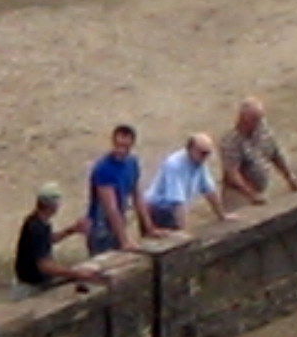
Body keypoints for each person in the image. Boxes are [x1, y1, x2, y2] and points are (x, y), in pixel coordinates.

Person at [14, 185, 104, 293]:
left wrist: (72, 230)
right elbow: (44, 266)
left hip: (36, 282)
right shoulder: (36, 227)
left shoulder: (39, 221)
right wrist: (77, 273)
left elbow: (48, 240)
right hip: (32, 286)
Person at [218, 97, 297, 207]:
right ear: (244, 119)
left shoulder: (263, 130)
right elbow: (233, 174)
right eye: (255, 120)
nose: (259, 123)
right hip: (239, 192)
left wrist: (290, 176)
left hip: (261, 187)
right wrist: (251, 194)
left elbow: (276, 154)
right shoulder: (230, 142)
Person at [86, 124, 157, 254]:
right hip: (101, 230)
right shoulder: (103, 168)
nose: (121, 150)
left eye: (125, 146)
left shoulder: (132, 163)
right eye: (118, 145)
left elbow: (137, 197)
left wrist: (150, 227)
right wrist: (124, 240)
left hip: (119, 224)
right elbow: (110, 208)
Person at [146, 134, 234, 231]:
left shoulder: (200, 163)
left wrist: (222, 215)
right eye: (203, 153)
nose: (206, 157)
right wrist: (184, 231)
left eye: (208, 153)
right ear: (190, 149)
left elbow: (210, 191)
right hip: (157, 210)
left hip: (171, 209)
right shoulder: (174, 165)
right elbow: (177, 202)